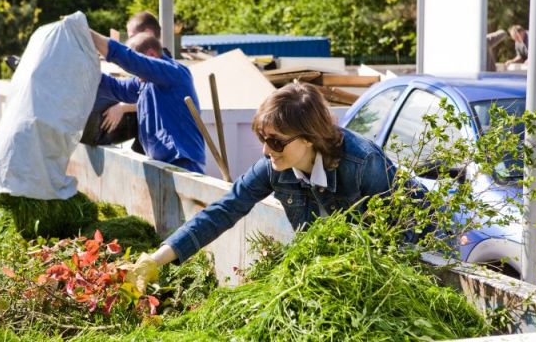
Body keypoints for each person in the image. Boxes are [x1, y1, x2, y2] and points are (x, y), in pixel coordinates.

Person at [124, 81, 401, 293]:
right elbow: (222, 211)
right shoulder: (273, 167)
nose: (267, 150)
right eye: (263, 139)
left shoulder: (363, 163)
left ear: (309, 138)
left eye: (276, 142)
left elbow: (402, 233)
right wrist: (155, 260)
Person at [89, 30, 206, 174]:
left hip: (182, 163)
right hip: (163, 163)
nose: (135, 74)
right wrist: (86, 69)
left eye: (137, 69)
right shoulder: (144, 83)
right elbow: (116, 88)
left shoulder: (173, 72)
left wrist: (88, 34)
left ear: (151, 55)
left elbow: (131, 61)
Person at [81, 11, 168, 151]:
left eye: (132, 37)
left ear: (148, 33)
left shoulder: (164, 66)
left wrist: (122, 107)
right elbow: (124, 87)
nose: (129, 45)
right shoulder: (141, 71)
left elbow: (158, 99)